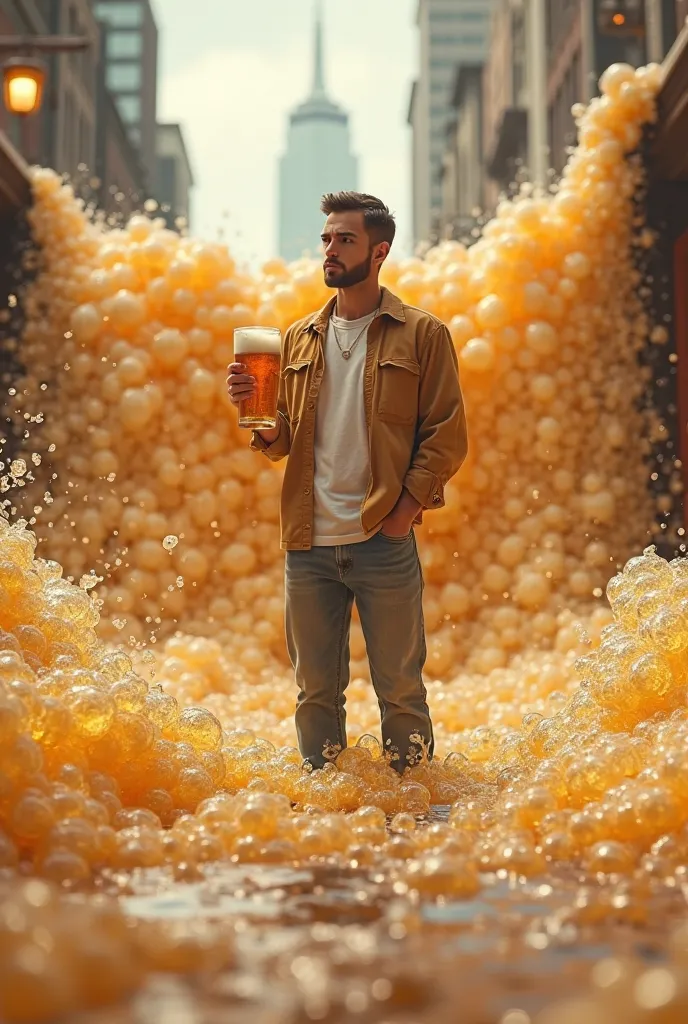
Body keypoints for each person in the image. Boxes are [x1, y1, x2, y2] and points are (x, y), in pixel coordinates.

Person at [227, 192, 468, 772]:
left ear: (379, 251)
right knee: (314, 696)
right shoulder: (299, 338)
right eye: (327, 239)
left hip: (382, 540)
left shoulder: (422, 335)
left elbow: (446, 433)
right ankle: (328, 812)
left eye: (346, 240)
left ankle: (413, 816)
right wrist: (255, 419)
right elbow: (283, 441)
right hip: (308, 545)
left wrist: (403, 513)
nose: (331, 250)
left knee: (402, 694)